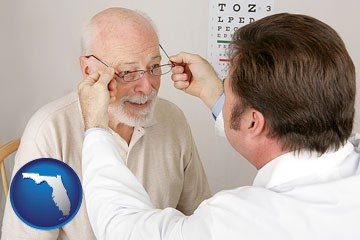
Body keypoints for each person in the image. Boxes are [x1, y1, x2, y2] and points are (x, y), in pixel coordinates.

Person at [79, 13, 360, 239]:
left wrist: (95, 127)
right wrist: (214, 93)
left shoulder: (237, 224)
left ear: (253, 121)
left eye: (227, 87)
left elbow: (122, 226)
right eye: (127, 72)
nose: (146, 84)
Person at [1, 7, 211, 240]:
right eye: (128, 72)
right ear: (88, 70)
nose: (148, 86)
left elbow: (200, 220)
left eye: (153, 67)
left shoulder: (173, 119)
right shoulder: (49, 132)